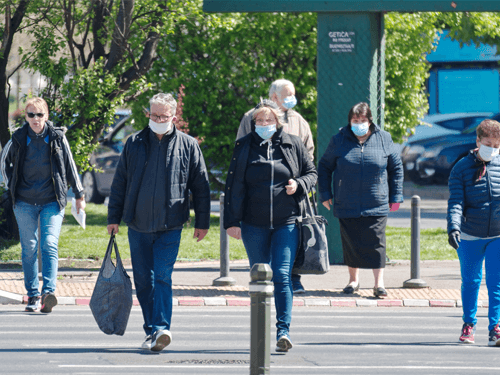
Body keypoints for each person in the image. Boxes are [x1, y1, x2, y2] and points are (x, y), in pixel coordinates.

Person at [107, 92, 210, 352]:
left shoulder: (188, 145)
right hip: (138, 225)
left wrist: (203, 222)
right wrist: (113, 217)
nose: (158, 119)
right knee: (143, 281)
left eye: (163, 116)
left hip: (171, 225)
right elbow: (120, 183)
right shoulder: (134, 142)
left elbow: (201, 186)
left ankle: (162, 328)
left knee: (163, 276)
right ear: (148, 115)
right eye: (154, 115)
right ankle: (152, 329)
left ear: (174, 117)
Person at [225, 101, 317, 352]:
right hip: (253, 224)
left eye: (269, 121)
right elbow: (232, 185)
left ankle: (283, 331)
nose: (264, 125)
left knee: (282, 274)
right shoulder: (243, 146)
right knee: (259, 276)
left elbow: (312, 173)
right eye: (259, 121)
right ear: (253, 123)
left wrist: (298, 184)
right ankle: (260, 328)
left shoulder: (293, 143)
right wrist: (231, 221)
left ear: (278, 122)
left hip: (286, 223)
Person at [0, 97, 85, 313]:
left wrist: (79, 194)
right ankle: (33, 296)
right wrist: (12, 188)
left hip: (52, 200)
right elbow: (3, 165)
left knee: (49, 244)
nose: (36, 119)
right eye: (31, 115)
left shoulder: (57, 137)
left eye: (40, 114)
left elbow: (70, 165)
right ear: (26, 117)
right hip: (24, 201)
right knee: (29, 248)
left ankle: (48, 293)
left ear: (46, 116)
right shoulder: (18, 138)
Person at [317, 102, 403, 298]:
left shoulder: (384, 138)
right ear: (349, 122)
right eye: (355, 121)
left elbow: (396, 168)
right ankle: (353, 280)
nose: (359, 124)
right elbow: (324, 167)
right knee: (351, 242)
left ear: (370, 121)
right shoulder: (339, 140)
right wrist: (325, 194)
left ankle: (379, 284)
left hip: (377, 201)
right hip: (346, 201)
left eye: (363, 120)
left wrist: (395, 196)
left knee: (376, 242)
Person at [237, 79, 314, 294]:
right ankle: (264, 285)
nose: (292, 99)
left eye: (293, 94)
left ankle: (293, 278)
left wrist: (299, 182)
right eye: (287, 95)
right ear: (273, 97)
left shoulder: (299, 121)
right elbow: (241, 150)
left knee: (290, 245)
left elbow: (308, 154)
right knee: (261, 257)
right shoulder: (250, 118)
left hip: (290, 197)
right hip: (257, 204)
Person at [447, 119, 500, 346]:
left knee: (496, 282)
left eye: (497, 146)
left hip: (497, 234)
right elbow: (456, 201)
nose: (493, 149)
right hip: (470, 234)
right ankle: (469, 324)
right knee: (471, 281)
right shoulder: (461, 167)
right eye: (488, 144)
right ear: (477, 141)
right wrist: (453, 227)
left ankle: (495, 328)